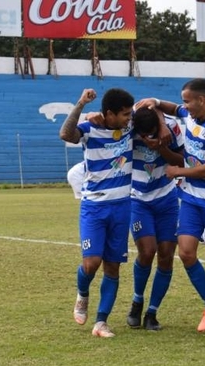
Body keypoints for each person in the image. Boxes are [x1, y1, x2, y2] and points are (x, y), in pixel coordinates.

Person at [136, 78, 205, 337]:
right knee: (185, 253)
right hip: (189, 198)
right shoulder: (190, 114)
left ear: (201, 100)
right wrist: (155, 102)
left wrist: (177, 171)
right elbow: (173, 109)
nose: (185, 105)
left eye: (187, 100)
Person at [59, 87, 135, 338]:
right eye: (124, 114)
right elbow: (66, 134)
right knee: (91, 264)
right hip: (94, 207)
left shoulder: (130, 128)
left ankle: (101, 323)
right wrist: (81, 104)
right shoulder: (90, 129)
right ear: (109, 113)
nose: (128, 118)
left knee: (113, 267)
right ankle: (82, 295)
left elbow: (153, 116)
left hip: (122, 206)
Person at [126, 108, 185, 331]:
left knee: (167, 256)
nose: (147, 138)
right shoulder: (127, 128)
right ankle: (137, 301)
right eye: (144, 135)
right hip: (137, 199)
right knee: (147, 251)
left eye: (151, 133)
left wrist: (162, 146)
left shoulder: (172, 127)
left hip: (167, 199)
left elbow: (183, 160)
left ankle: (152, 312)